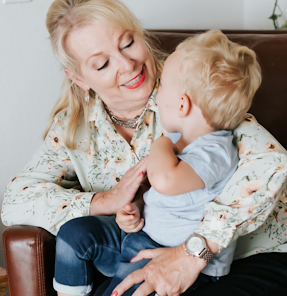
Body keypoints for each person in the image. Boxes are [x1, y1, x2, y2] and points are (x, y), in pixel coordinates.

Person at [1, 0, 287, 296]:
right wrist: (106, 201)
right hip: (143, 250)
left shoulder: (191, 90)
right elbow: (17, 201)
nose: (128, 64)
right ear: (79, 78)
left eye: (128, 43)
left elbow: (272, 163)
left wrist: (195, 251)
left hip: (250, 256)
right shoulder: (76, 128)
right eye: (102, 64)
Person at [52, 29, 259, 296]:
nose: (156, 95)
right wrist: (135, 208)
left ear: (182, 105)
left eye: (163, 87)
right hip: (142, 235)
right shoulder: (179, 138)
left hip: (175, 258)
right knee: (73, 234)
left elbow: (165, 181)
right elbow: (162, 194)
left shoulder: (216, 150)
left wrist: (159, 143)